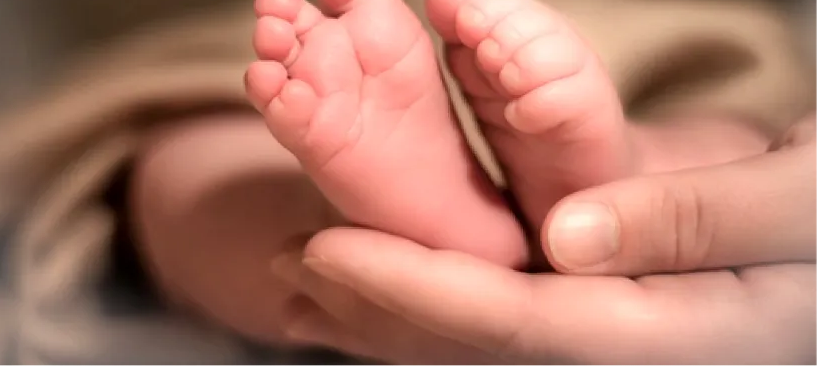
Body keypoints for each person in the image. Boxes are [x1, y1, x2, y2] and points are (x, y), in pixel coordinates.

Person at [0, 0, 813, 366]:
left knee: (184, 169)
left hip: (630, 35)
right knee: (732, 131)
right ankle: (633, 166)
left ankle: (318, 216)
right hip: (640, 40)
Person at [269, 112, 817, 366]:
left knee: (215, 167)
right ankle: (638, 165)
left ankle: (343, 210)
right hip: (671, 63)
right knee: (745, 144)